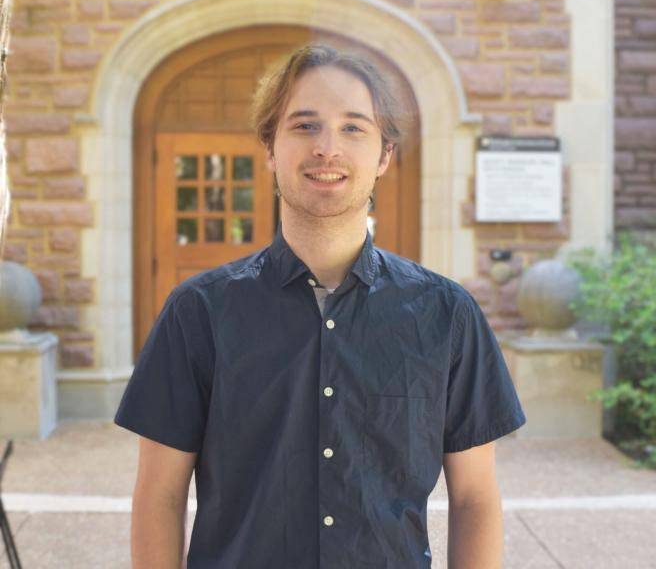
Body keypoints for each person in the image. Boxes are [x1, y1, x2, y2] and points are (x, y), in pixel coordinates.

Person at [114, 43, 526, 569]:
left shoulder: (447, 314)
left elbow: (474, 498)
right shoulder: (197, 312)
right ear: (269, 147)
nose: (327, 149)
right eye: (304, 126)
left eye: (353, 128)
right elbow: (160, 496)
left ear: (383, 156)